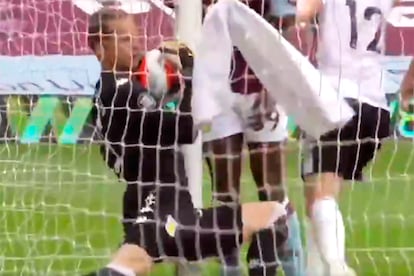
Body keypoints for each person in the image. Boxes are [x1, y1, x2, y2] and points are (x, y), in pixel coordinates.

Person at [84, 6, 289, 276]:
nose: (135, 45)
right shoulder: (124, 93)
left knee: (130, 266)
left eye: (135, 37)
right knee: (274, 216)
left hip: (147, 206)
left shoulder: (108, 90)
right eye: (123, 39)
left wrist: (170, 94)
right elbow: (187, 128)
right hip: (165, 210)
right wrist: (192, 75)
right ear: (100, 47)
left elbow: (150, 128)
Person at [201, 0, 304, 275]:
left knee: (272, 189)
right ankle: (230, 270)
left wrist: (274, 76)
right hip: (215, 88)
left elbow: (286, 21)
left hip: (260, 87)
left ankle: (295, 269)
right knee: (224, 191)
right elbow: (187, 20)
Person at [296, 0, 395, 274]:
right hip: (376, 109)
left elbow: (301, 12)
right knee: (318, 200)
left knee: (322, 197)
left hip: (334, 99)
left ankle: (338, 267)